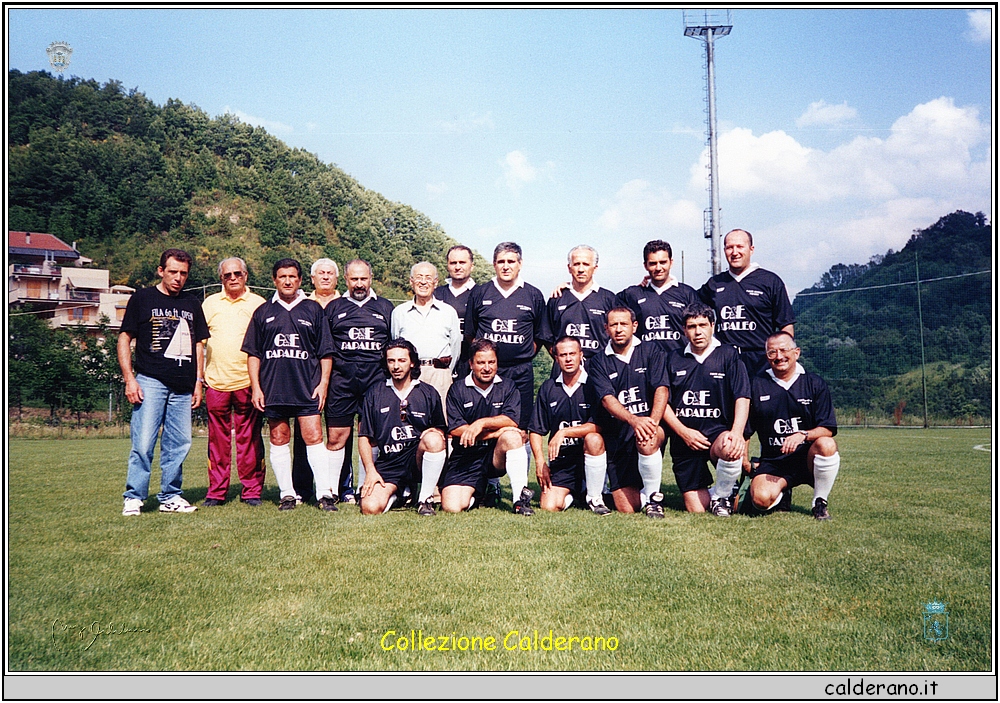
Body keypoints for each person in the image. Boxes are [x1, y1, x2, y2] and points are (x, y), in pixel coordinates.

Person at [119, 248, 209, 516]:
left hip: (183, 386)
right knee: (144, 442)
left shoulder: (192, 303)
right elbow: (125, 338)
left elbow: (198, 346)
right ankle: (134, 497)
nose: (178, 278)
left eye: (183, 273)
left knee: (179, 444)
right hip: (150, 382)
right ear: (161, 271)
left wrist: (198, 382)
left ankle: (170, 496)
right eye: (173, 272)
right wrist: (129, 379)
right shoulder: (142, 298)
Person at [242, 259, 334, 511]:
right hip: (274, 387)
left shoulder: (313, 309)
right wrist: (256, 387)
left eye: (292, 276)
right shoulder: (263, 311)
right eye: (282, 276)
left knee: (314, 436)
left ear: (300, 280)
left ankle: (324, 493)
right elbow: (253, 354)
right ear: (274, 280)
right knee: (279, 437)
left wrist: (323, 383)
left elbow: (326, 352)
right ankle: (287, 494)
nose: (287, 281)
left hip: (307, 386)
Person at [464, 242, 547, 505]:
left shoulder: (533, 295)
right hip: (487, 374)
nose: (506, 266)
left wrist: (518, 357)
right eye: (501, 261)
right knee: (487, 427)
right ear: (494, 264)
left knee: (518, 430)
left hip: (520, 373)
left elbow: (539, 338)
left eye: (511, 261)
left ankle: (520, 491)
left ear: (520, 264)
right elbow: (471, 336)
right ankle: (491, 484)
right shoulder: (480, 293)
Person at [662, 302, 751, 517]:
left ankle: (721, 495)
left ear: (713, 325)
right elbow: (662, 402)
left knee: (730, 447)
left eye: (703, 325)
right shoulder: (673, 358)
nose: (698, 331)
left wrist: (737, 433)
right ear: (684, 330)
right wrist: (683, 432)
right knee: (697, 510)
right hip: (686, 438)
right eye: (691, 326)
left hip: (717, 434)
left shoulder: (729, 355)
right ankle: (727, 487)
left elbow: (742, 396)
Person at [744, 332, 840, 520]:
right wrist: (745, 462)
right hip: (774, 461)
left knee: (827, 445)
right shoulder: (756, 384)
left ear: (796, 352)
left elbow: (828, 428)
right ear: (766, 357)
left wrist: (802, 435)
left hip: (807, 459)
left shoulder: (814, 383)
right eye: (772, 352)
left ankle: (819, 502)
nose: (779, 356)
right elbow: (746, 430)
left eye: (784, 350)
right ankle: (783, 493)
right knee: (760, 500)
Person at [324, 259, 395, 504]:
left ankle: (369, 486)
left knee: (372, 436)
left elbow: (395, 347)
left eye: (363, 278)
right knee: (336, 437)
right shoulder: (334, 308)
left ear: (371, 278)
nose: (359, 284)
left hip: (375, 382)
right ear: (346, 280)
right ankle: (334, 491)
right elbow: (325, 350)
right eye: (354, 279)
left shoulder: (386, 308)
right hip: (341, 383)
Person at [588, 307, 668, 518]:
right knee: (626, 507)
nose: (619, 329)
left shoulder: (652, 351)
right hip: (619, 439)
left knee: (648, 438)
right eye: (613, 325)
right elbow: (607, 400)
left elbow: (662, 389)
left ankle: (653, 498)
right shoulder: (598, 361)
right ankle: (641, 492)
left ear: (634, 326)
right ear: (606, 329)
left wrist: (652, 423)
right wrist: (634, 421)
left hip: (647, 430)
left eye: (624, 324)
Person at [439, 339, 533, 516]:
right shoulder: (458, 389)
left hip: (495, 456)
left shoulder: (508, 386)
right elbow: (456, 429)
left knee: (513, 436)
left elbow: (511, 421)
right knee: (452, 507)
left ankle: (520, 501)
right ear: (471, 364)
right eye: (481, 363)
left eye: (491, 362)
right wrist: (496, 432)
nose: (487, 368)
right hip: (466, 457)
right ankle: (481, 491)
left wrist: (480, 424)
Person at [201, 257, 267, 506]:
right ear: (221, 278)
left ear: (246, 275)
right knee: (217, 442)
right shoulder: (209, 304)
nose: (232, 278)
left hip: (247, 383)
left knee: (249, 440)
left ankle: (251, 491)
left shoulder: (258, 304)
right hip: (216, 383)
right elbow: (199, 344)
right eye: (227, 275)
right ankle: (217, 492)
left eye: (237, 274)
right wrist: (199, 379)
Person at [357, 339, 448, 516]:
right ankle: (400, 493)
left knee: (434, 439)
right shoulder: (374, 393)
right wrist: (370, 471)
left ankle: (425, 499)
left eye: (401, 360)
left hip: (418, 460)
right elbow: (364, 437)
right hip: (390, 463)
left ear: (412, 362)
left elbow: (441, 431)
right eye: (391, 361)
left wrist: (435, 432)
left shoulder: (428, 392)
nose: (396, 366)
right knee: (370, 508)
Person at [698, 229, 795, 378]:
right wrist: (649, 284)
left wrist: (784, 358)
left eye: (740, 246)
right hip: (726, 361)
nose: (734, 252)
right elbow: (686, 300)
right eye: (729, 247)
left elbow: (786, 325)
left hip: (762, 362)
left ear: (751, 249)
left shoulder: (770, 281)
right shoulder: (715, 283)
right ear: (724, 251)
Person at [529, 336, 609, 514]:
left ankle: (595, 497)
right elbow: (535, 430)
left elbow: (599, 426)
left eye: (572, 353)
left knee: (593, 438)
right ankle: (578, 495)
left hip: (590, 456)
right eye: (563, 355)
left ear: (581, 355)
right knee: (548, 506)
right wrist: (540, 462)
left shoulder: (594, 385)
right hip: (563, 462)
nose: (568, 359)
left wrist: (565, 432)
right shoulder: (548, 388)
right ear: (556, 358)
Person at [292, 258, 341, 504]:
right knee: (305, 436)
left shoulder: (345, 303)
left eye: (330, 273)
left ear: (336, 278)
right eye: (320, 273)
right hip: (307, 377)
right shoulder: (302, 304)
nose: (325, 277)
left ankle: (339, 487)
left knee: (338, 432)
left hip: (340, 377)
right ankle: (302, 488)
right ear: (311, 279)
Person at [391, 261, 462, 406]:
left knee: (440, 422)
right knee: (410, 420)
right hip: (409, 375)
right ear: (411, 281)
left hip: (440, 375)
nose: (423, 282)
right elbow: (395, 345)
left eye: (428, 278)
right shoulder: (399, 312)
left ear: (435, 283)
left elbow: (455, 347)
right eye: (419, 277)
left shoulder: (448, 312)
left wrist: (445, 371)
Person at [616, 239, 701, 354]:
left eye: (663, 262)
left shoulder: (687, 293)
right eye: (653, 263)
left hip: (680, 362)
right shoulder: (633, 294)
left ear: (671, 262)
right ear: (645, 265)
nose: (658, 268)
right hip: (645, 363)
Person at [540, 245, 617, 362]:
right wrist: (564, 360)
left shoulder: (609, 299)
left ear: (595, 268)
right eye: (576, 264)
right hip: (565, 371)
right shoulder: (557, 298)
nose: (581, 269)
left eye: (586, 264)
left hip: (600, 368)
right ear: (569, 268)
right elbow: (547, 337)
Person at [435, 244, 477, 373]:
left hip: (469, 361)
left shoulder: (481, 294)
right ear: (447, 265)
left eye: (462, 262)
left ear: (472, 265)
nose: (458, 267)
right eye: (453, 263)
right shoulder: (436, 293)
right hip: (440, 362)